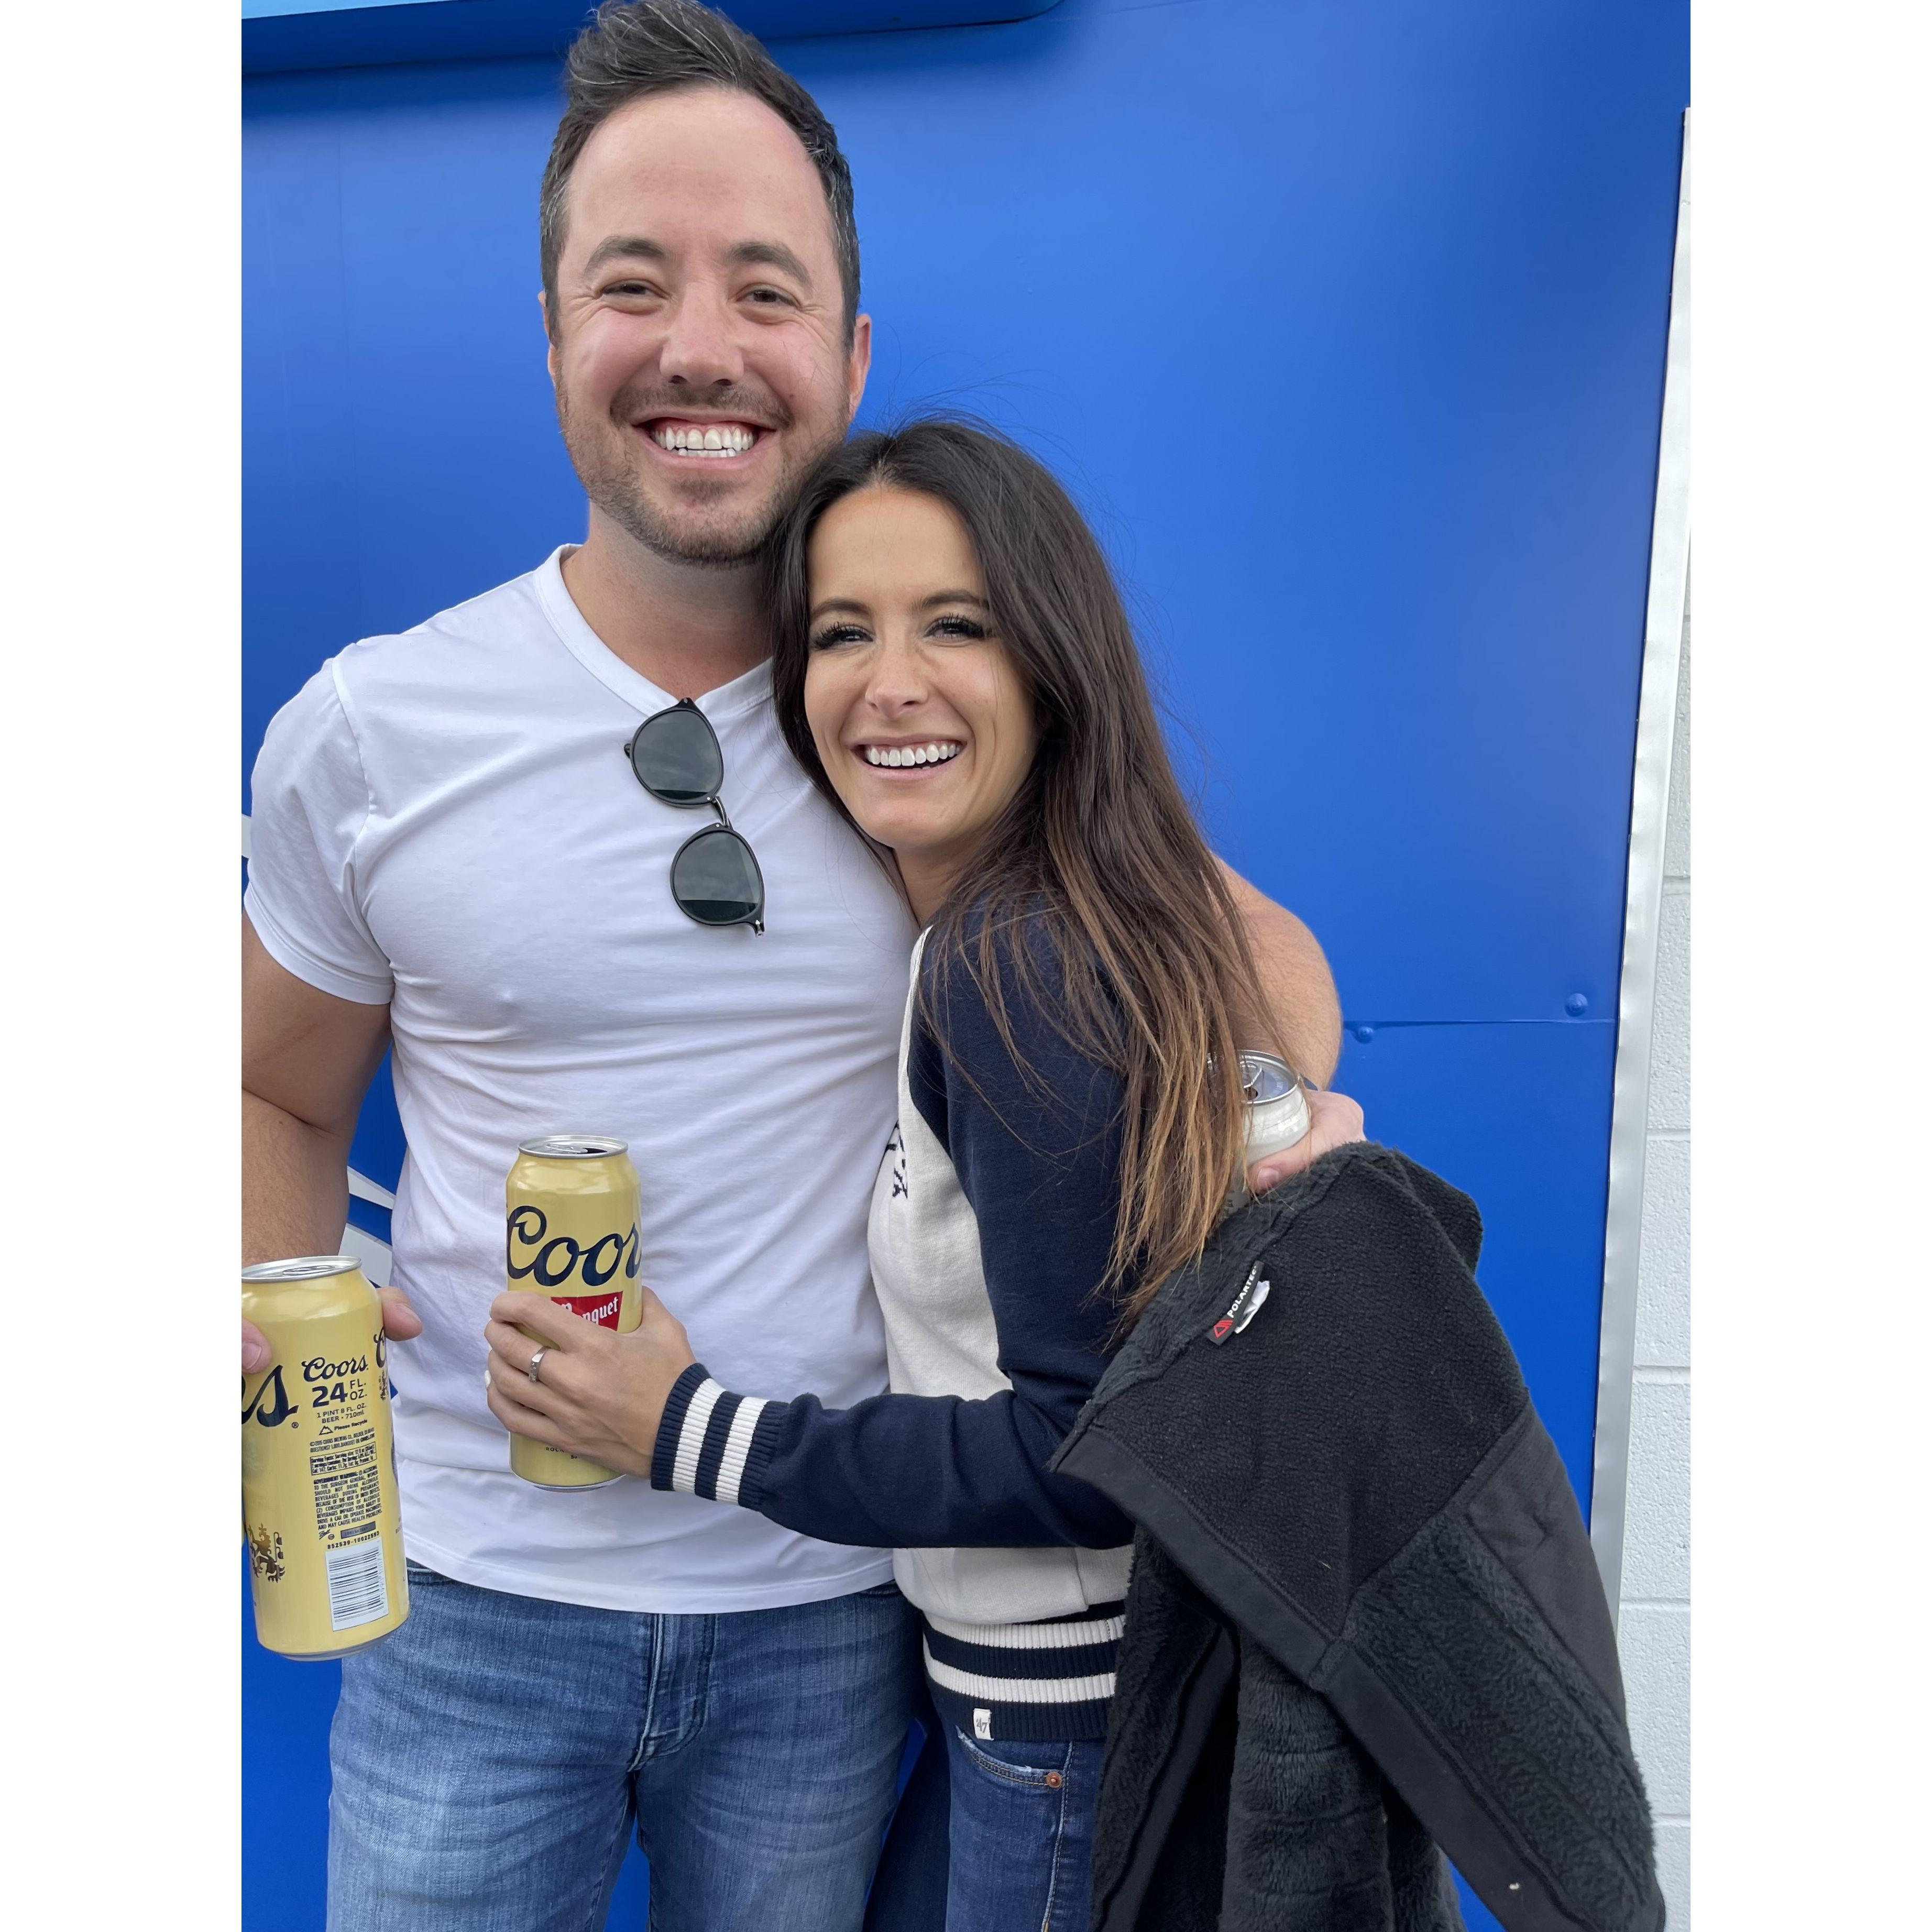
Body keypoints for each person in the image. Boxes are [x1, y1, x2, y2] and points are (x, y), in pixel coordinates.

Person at [242, 5, 1360, 1928]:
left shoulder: (916, 714)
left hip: (831, 1616)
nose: (700, 345)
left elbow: (1259, 986)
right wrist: (256, 1305)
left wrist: (1264, 1125)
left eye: (765, 290)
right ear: (553, 337)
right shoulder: (370, 728)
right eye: (632, 286)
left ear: (843, 352)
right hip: (471, 1603)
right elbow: (271, 1090)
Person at [482, 418, 1309, 1930]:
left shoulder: (1013, 961)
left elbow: (1083, 1454)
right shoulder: (1059, 911)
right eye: (843, 633)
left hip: (1069, 1726)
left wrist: (685, 1429)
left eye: (958, 626)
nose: (892, 682)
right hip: (1065, 1702)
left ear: (1053, 665)